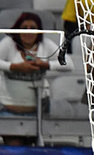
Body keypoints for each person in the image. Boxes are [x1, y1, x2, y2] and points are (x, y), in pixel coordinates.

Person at [0, 12, 74, 145]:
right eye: (24, 28)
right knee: (16, 149)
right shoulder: (8, 43)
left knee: (34, 152)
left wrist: (46, 64)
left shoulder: (46, 44)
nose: (29, 31)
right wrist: (14, 67)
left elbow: (69, 64)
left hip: (39, 113)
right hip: (9, 112)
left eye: (33, 27)